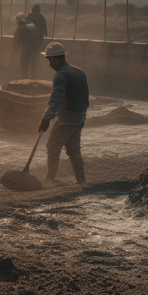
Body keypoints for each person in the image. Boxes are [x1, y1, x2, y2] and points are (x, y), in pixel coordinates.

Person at [38, 41, 89, 184]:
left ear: (54, 59)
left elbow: (56, 98)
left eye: (49, 60)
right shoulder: (79, 71)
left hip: (67, 119)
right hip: (80, 118)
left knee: (52, 147)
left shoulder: (61, 75)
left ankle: (50, 179)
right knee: (74, 151)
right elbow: (85, 96)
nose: (49, 64)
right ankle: (81, 181)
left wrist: (46, 118)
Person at [12, 13, 39, 79]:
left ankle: (25, 79)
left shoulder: (19, 27)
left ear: (18, 20)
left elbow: (16, 40)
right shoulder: (30, 24)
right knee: (33, 64)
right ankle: (33, 78)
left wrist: (15, 49)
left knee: (24, 64)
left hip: (26, 47)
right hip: (34, 47)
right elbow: (36, 34)